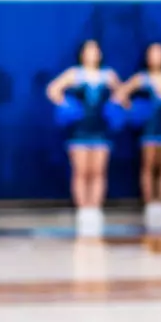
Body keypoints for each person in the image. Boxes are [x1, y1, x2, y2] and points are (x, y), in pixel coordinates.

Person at [46, 40, 123, 238]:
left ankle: (95, 208)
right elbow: (53, 89)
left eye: (96, 49)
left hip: (100, 131)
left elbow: (122, 93)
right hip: (79, 132)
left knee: (98, 172)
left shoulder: (108, 75)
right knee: (81, 172)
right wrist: (66, 105)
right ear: (81, 53)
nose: (92, 53)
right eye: (88, 49)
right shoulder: (74, 73)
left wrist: (114, 106)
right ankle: (83, 210)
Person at [119, 42, 161, 231]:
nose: (156, 57)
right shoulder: (141, 78)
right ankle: (150, 204)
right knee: (149, 166)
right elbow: (121, 93)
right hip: (149, 130)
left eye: (159, 53)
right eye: (152, 53)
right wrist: (134, 110)